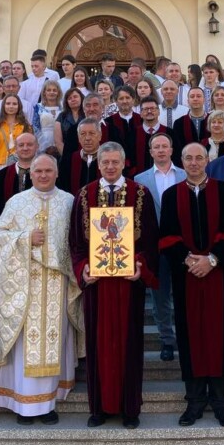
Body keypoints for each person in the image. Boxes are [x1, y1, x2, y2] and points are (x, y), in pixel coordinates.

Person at [69, 142, 159, 429]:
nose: (110, 167)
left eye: (114, 162)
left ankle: (130, 409)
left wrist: (140, 266)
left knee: (129, 345)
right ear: (98, 164)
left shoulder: (139, 193)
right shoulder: (84, 195)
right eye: (105, 162)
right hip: (97, 286)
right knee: (97, 345)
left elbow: (151, 241)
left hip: (128, 285)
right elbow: (76, 243)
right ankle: (99, 408)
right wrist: (83, 270)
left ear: (123, 163)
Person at [0, 154, 85, 425]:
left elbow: (78, 239)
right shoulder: (16, 202)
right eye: (38, 171)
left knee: (56, 340)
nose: (43, 175)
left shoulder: (69, 201)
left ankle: (49, 403)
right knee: (25, 345)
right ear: (30, 174)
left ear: (57, 173)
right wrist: (25, 239)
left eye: (48, 171)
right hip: (25, 287)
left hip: (59, 284)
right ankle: (24, 404)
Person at [158, 143, 224, 428]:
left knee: (221, 336)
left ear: (207, 160)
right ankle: (194, 401)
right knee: (190, 337)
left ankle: (221, 402)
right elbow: (167, 237)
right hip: (187, 278)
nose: (194, 162)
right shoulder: (172, 195)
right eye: (188, 158)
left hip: (220, 277)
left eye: (198, 158)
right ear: (181, 161)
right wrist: (188, 260)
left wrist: (213, 259)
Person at [135, 132, 185, 362]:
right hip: (155, 246)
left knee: (184, 295)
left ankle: (185, 337)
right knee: (160, 296)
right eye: (157, 147)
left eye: (165, 146)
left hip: (182, 245)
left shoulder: (185, 175)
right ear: (151, 152)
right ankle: (166, 339)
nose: (161, 150)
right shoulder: (140, 179)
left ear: (172, 150)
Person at [0, 132, 37, 217]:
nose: (25, 148)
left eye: (29, 145)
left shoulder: (46, 173)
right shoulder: (1, 175)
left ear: (37, 146)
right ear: (16, 148)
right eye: (21, 145)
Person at [0, 95, 31, 176]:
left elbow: (30, 148)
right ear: (3, 106)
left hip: (21, 166)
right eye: (8, 103)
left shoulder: (26, 127)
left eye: (14, 104)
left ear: (19, 106)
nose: (11, 106)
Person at [58, 117, 103, 195]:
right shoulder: (69, 161)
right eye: (83, 134)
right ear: (78, 138)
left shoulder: (109, 160)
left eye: (92, 133)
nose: (87, 138)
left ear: (100, 136)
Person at [171, 86, 208, 162]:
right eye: (192, 96)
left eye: (198, 96)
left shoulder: (213, 121)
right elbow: (177, 149)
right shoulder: (179, 123)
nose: (195, 99)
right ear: (188, 101)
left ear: (204, 100)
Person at [32, 80, 65, 155]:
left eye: (54, 90)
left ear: (58, 92)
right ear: (44, 92)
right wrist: (45, 146)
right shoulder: (38, 107)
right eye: (49, 90)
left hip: (61, 141)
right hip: (43, 143)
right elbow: (35, 128)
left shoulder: (63, 108)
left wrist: (60, 144)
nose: (51, 92)